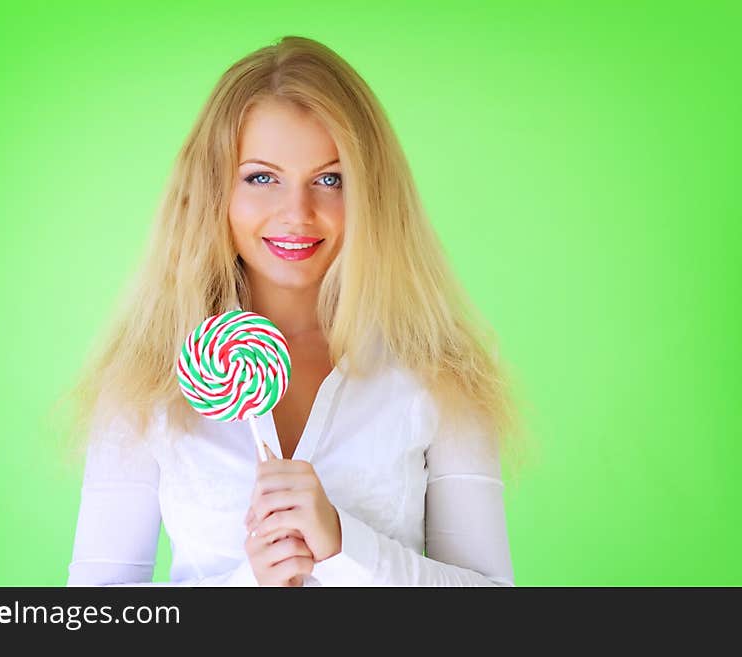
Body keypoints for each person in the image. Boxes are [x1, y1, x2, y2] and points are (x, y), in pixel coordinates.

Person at [60, 35, 528, 587]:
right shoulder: (144, 376)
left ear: (371, 193)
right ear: (216, 191)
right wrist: (248, 584)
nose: (297, 213)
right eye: (261, 177)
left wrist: (345, 547)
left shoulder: (441, 364)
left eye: (330, 179)